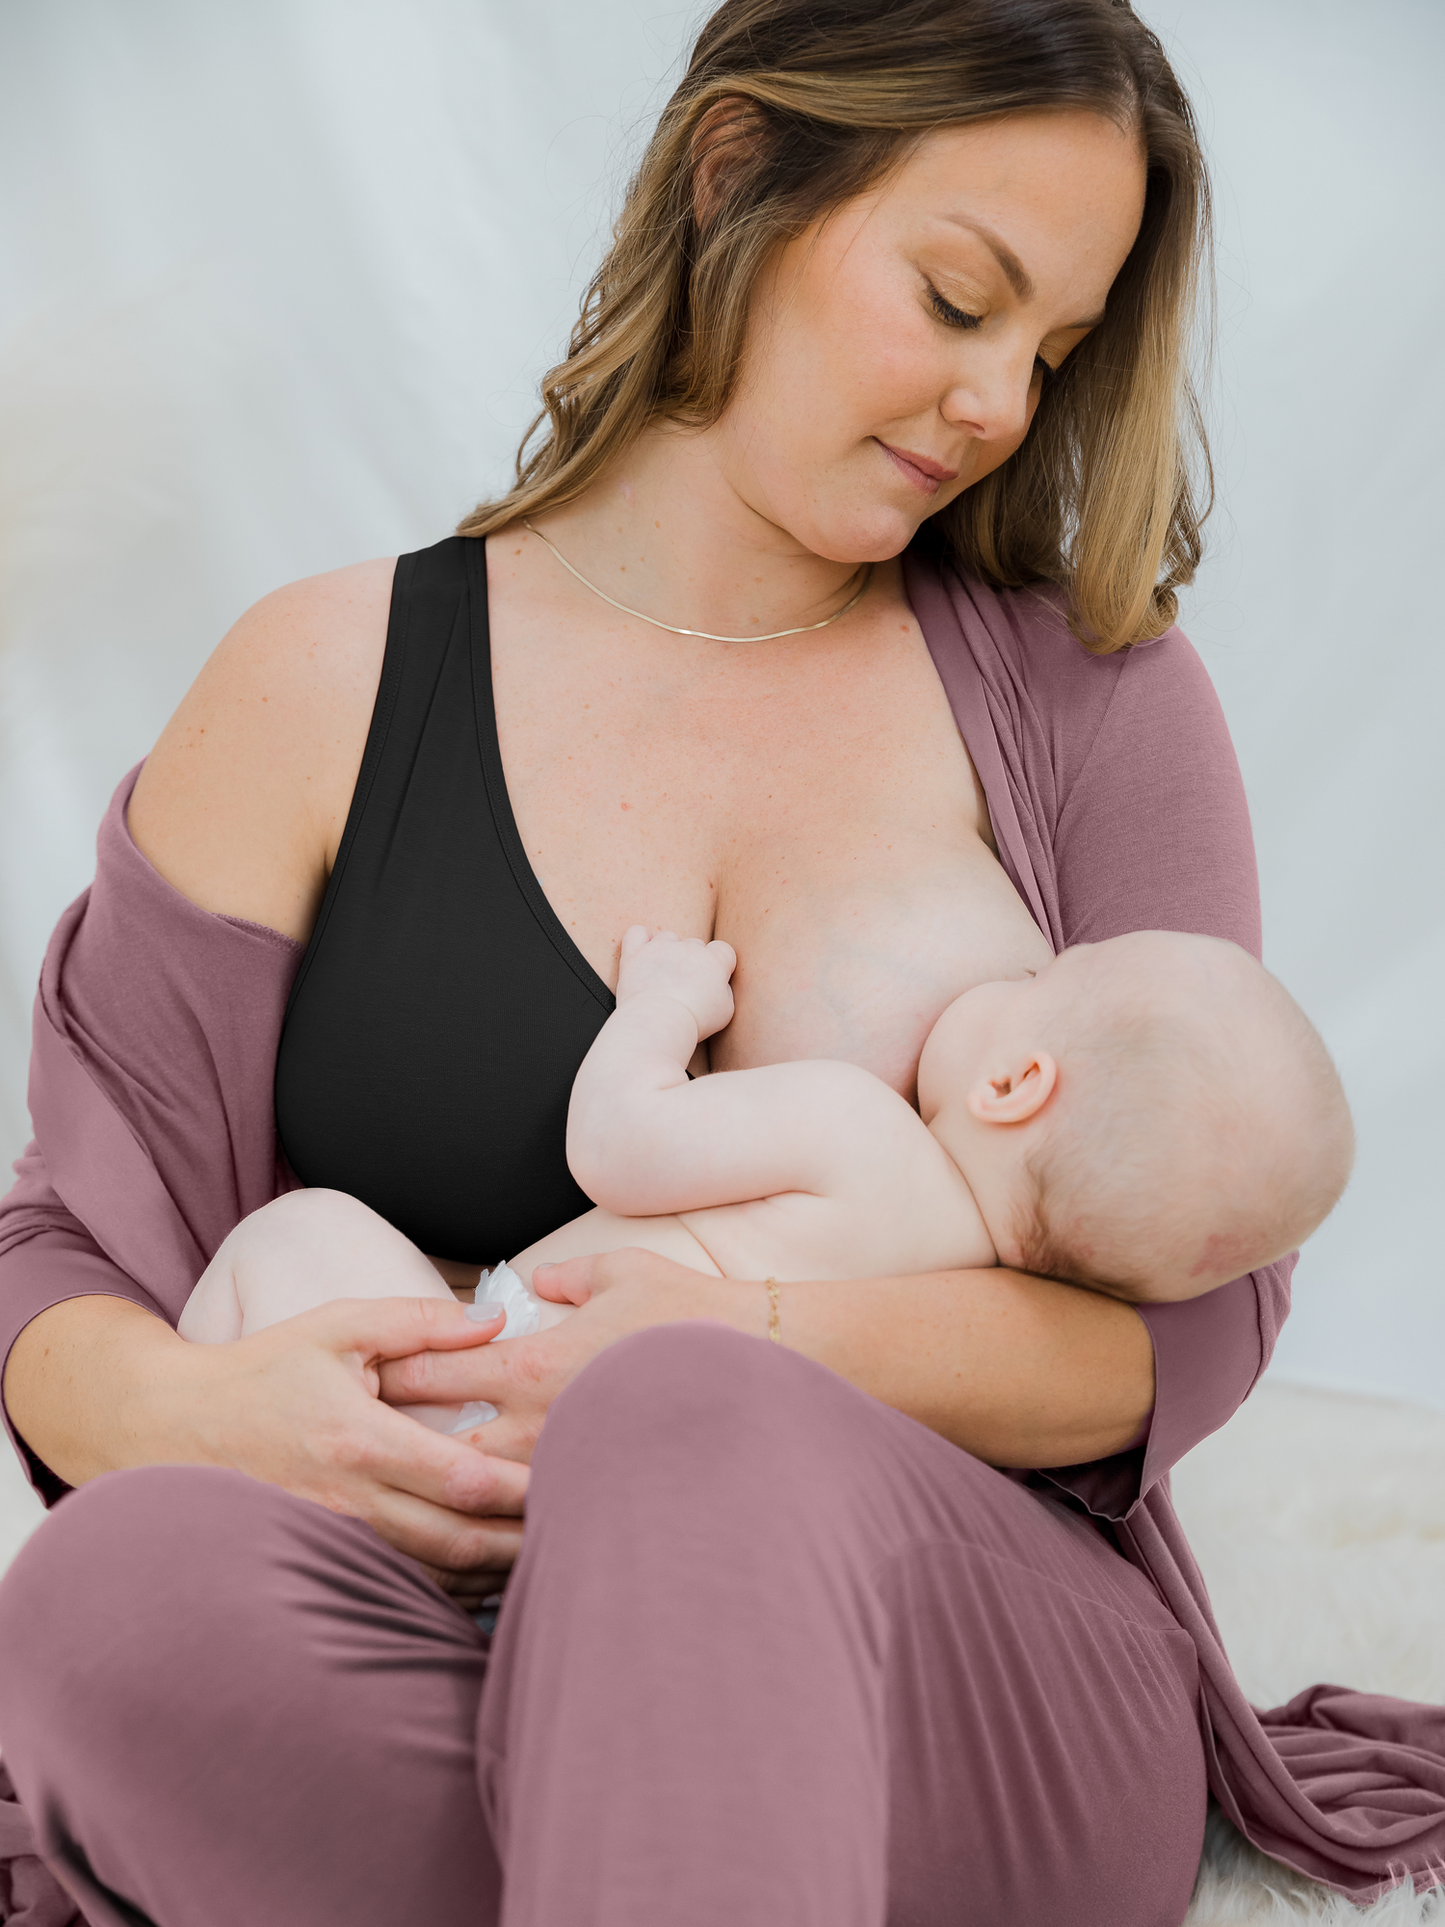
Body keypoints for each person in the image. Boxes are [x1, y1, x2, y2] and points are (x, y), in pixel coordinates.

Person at [1, 2, 1442, 1923]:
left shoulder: (1095, 698)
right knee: (102, 1596)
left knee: (691, 1427)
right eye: (958, 298)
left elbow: (1200, 1308)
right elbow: (69, 1249)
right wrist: (189, 1414)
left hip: (959, 1644)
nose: (1006, 404)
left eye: (1058, 350)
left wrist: (730, 1349)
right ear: (738, 171)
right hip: (437, 1614)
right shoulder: (322, 683)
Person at [178, 924, 1355, 1439]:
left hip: (481, 1393)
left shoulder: (859, 1130)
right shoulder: (955, 1307)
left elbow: (616, 1145)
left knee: (300, 1234)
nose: (1030, 961)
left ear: (1014, 1082)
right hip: (580, 1510)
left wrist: (664, 1007)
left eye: (1053, 969)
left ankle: (178, 1468)